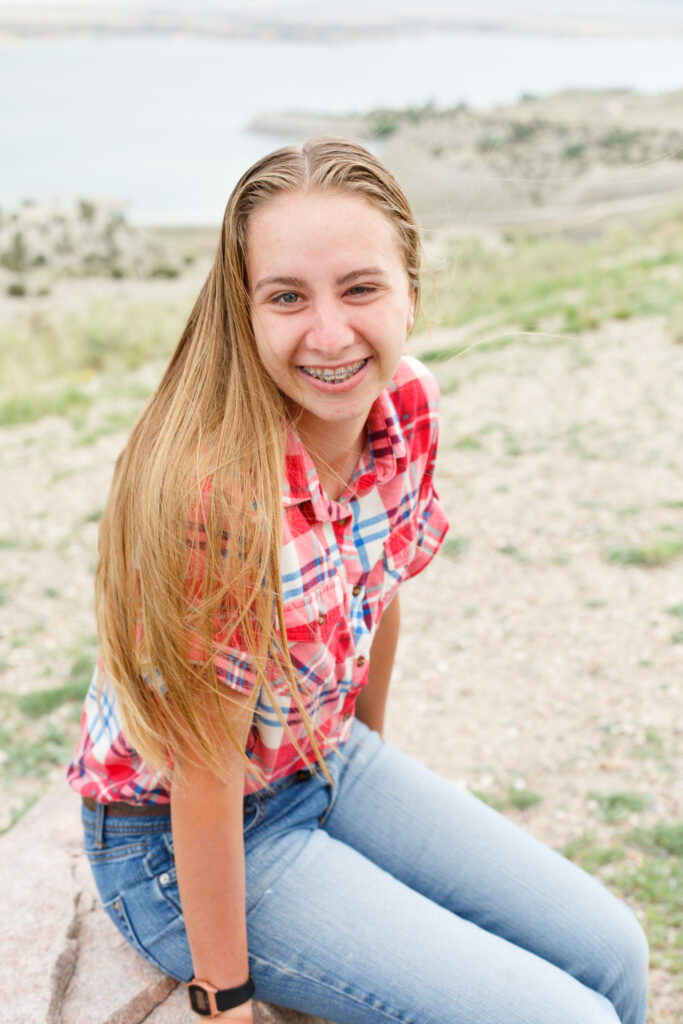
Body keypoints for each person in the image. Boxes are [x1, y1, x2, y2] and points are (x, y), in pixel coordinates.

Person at [67, 137, 648, 1024]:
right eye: (288, 297)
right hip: (174, 845)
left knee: (615, 957)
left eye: (361, 288)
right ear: (244, 310)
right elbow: (204, 765)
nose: (330, 334)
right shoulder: (217, 497)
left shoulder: (406, 405)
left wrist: (361, 777)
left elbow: (381, 591)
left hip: (316, 758)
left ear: (410, 291)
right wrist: (225, 1001)